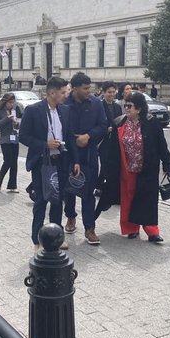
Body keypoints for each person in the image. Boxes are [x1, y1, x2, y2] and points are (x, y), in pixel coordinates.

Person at [96, 91, 170, 242]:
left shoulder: (151, 123)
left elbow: (161, 145)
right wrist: (107, 170)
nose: (126, 108)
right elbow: (112, 149)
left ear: (139, 108)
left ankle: (152, 231)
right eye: (125, 105)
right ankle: (131, 228)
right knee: (128, 198)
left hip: (147, 168)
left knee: (148, 200)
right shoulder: (119, 122)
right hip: (126, 168)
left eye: (130, 106)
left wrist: (167, 163)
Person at [18, 76, 80, 251]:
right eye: (62, 92)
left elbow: (70, 136)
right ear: (52, 93)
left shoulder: (65, 111)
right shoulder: (33, 111)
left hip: (61, 161)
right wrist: (45, 145)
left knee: (58, 200)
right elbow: (24, 136)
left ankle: (55, 237)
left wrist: (76, 160)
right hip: (42, 162)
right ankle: (37, 240)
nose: (65, 95)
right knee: (41, 201)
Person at [63, 71, 108, 246]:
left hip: (89, 153)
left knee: (88, 192)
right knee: (69, 189)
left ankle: (90, 228)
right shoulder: (65, 104)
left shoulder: (96, 104)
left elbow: (103, 126)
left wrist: (88, 136)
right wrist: (74, 140)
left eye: (89, 87)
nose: (89, 91)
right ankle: (70, 217)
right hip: (69, 153)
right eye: (85, 88)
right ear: (74, 88)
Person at [0, 92, 21, 192]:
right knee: (8, 161)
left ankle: (12, 186)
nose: (11, 104)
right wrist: (6, 119)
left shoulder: (13, 111)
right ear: (5, 102)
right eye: (10, 102)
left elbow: (17, 125)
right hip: (5, 139)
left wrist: (16, 124)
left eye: (13, 102)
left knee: (14, 162)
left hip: (14, 138)